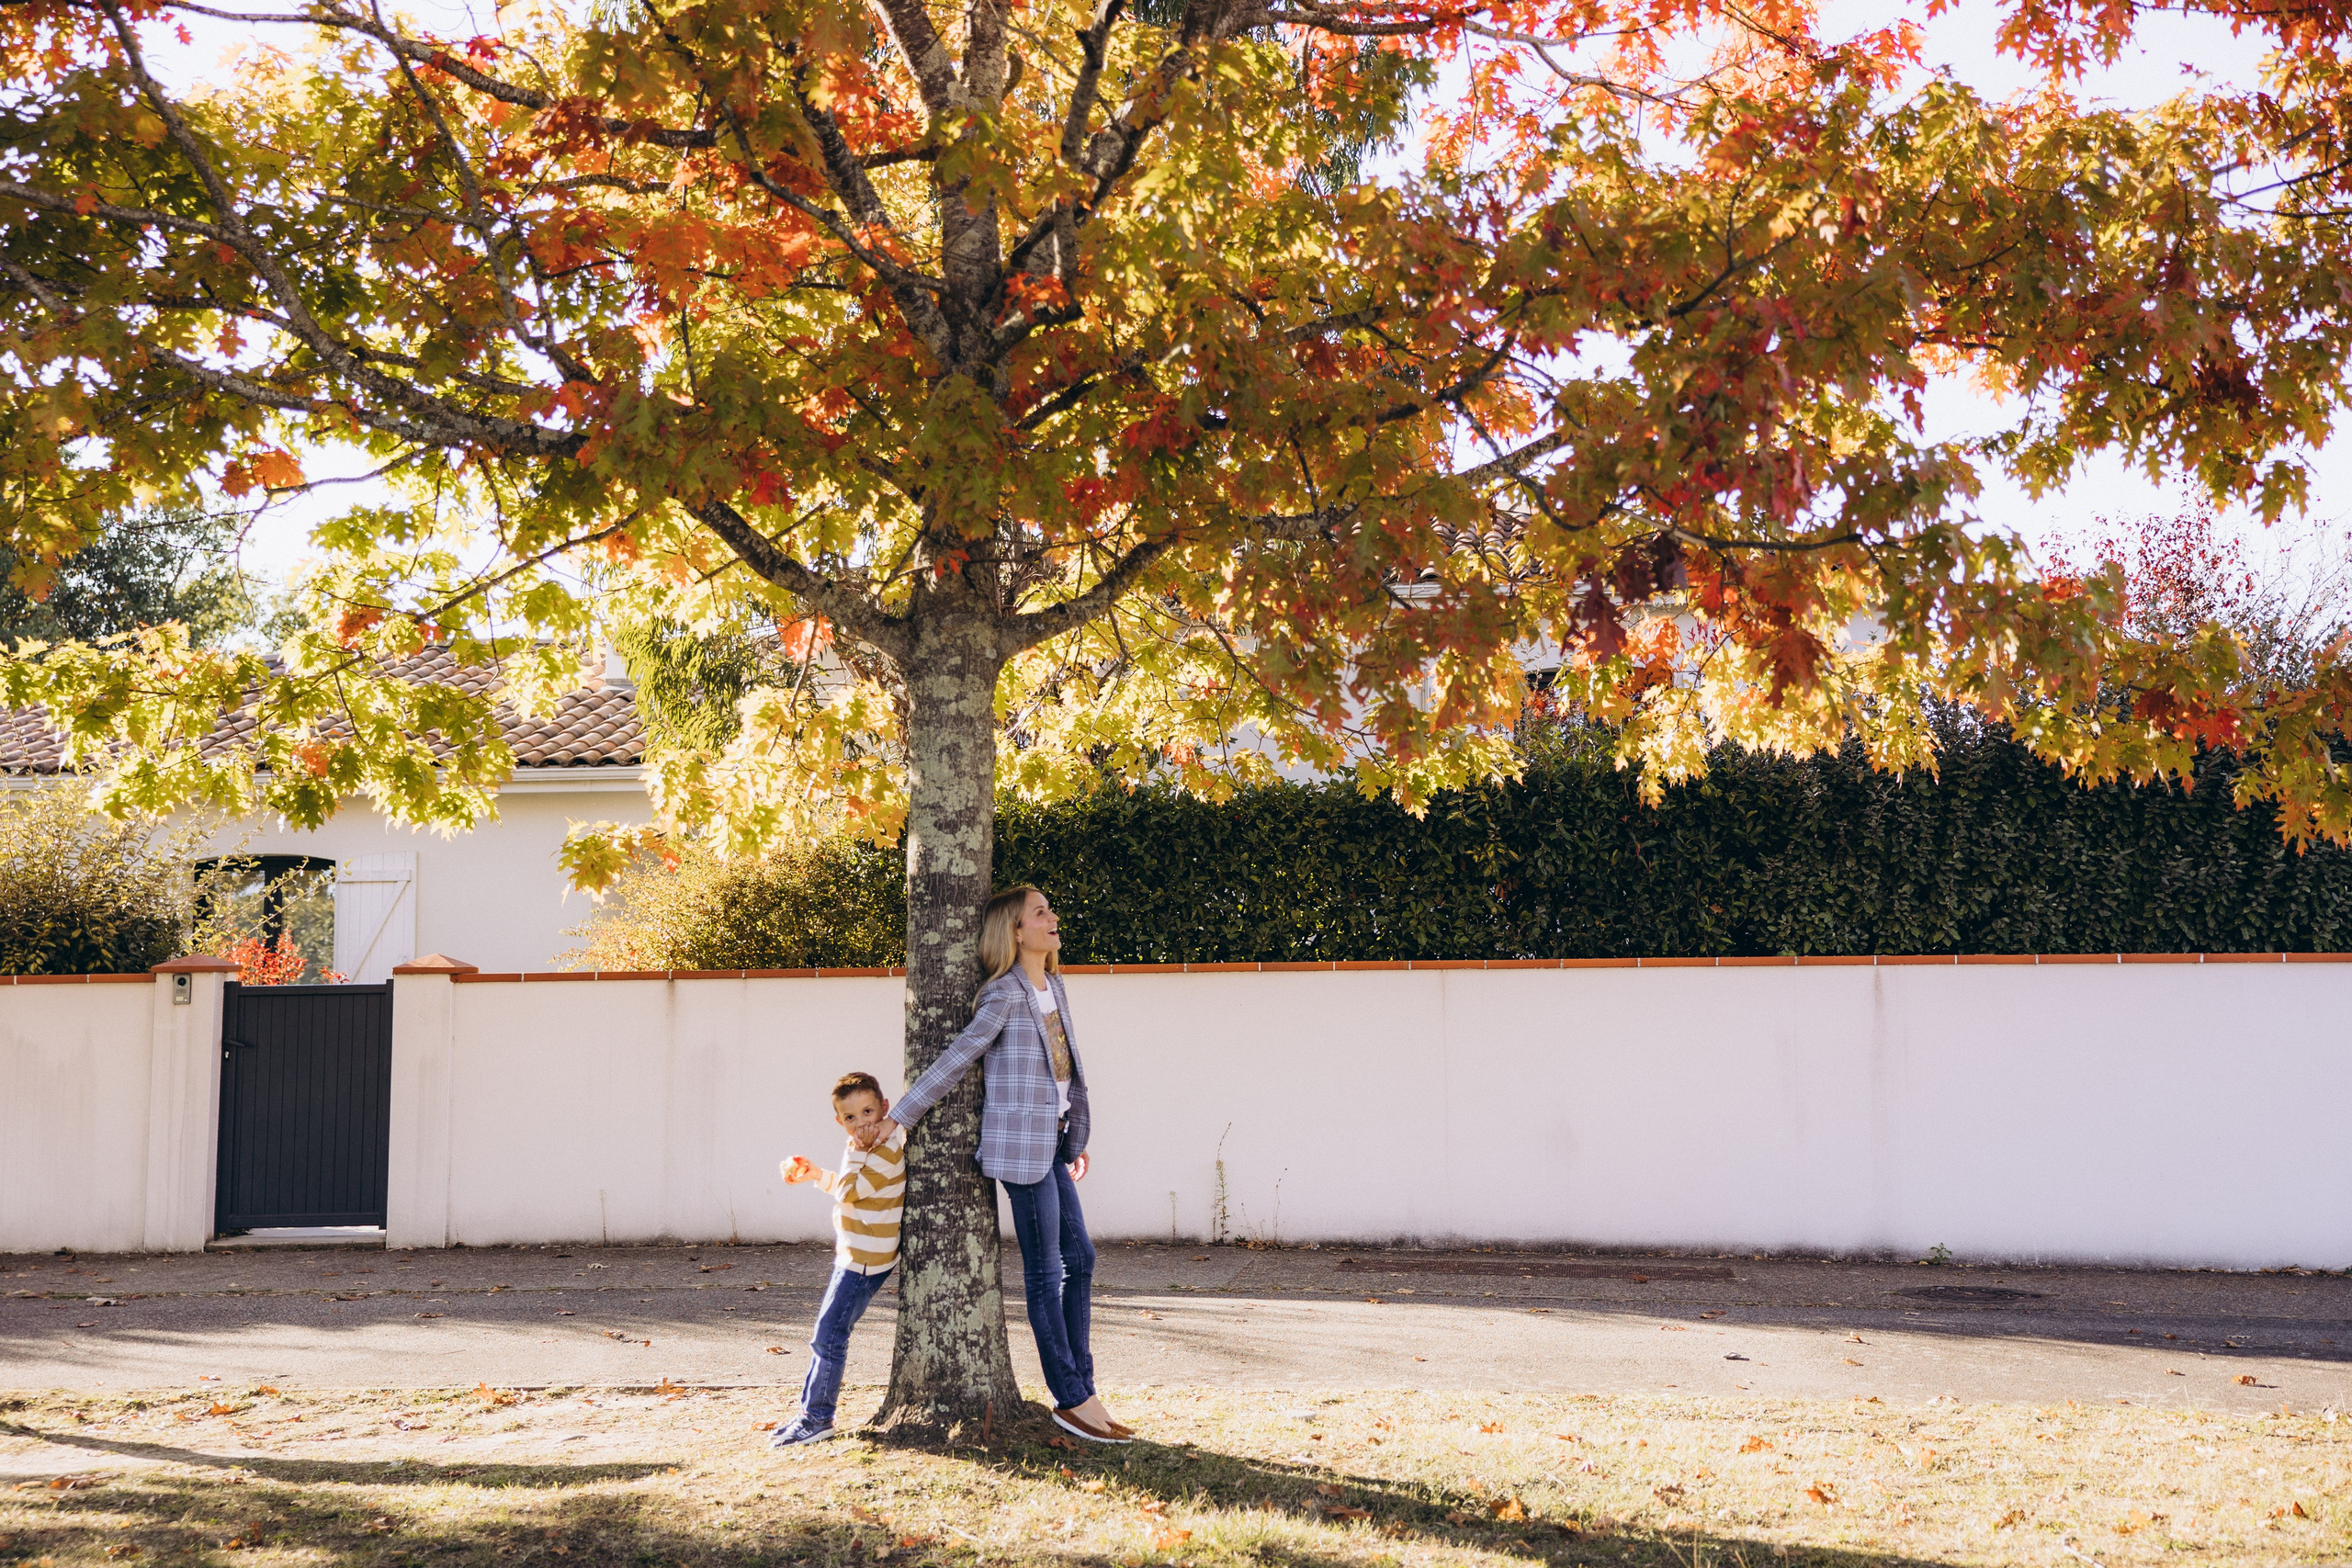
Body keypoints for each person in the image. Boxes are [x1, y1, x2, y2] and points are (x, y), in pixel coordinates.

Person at [876, 886, 1130, 1444]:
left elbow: (1060, 1067)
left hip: (1053, 1144)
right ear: (1016, 932)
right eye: (1041, 913)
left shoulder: (1054, 985)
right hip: (1019, 1152)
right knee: (1045, 1273)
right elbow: (958, 1056)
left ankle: (1083, 1387)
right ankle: (1071, 1398)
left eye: (1048, 909)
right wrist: (900, 1117)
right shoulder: (1004, 995)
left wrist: (1071, 1130)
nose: (1052, 917)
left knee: (1081, 1258)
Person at [769, 1070, 907, 1447]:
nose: (861, 1123)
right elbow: (852, 1188)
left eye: (867, 1112)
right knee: (826, 1334)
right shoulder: (870, 1149)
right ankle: (809, 1413)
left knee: (829, 1336)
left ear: (884, 1108)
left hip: (864, 1260)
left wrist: (857, 1151)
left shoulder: (886, 1151)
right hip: (857, 1252)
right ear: (839, 1122)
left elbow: (849, 1191)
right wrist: (816, 1174)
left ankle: (817, 1417)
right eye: (850, 1118)